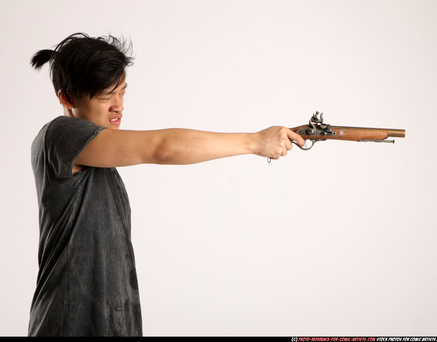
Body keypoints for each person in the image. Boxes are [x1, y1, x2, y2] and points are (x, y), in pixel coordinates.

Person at [28, 32, 304, 336]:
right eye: (106, 96)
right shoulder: (61, 134)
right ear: (66, 97)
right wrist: (254, 142)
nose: (118, 106)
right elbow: (161, 147)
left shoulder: (96, 155)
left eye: (122, 92)